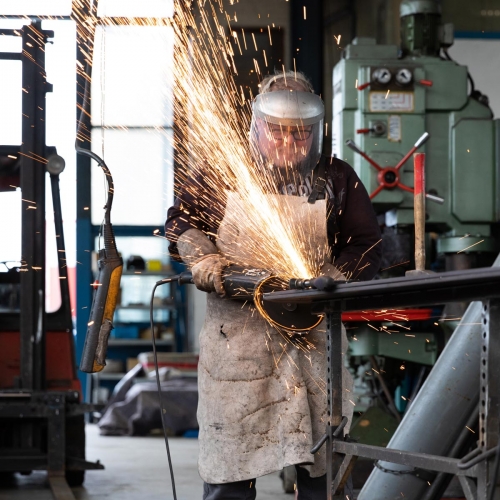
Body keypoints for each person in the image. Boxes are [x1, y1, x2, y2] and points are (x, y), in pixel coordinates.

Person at [165, 70, 382, 499]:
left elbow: (365, 242)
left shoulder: (337, 177)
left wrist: (335, 279)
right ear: (258, 127)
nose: (289, 142)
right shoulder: (224, 170)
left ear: (316, 132)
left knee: (324, 465)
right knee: (232, 465)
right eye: (278, 132)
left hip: (313, 338)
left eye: (300, 134)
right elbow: (180, 223)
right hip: (238, 341)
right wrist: (202, 256)